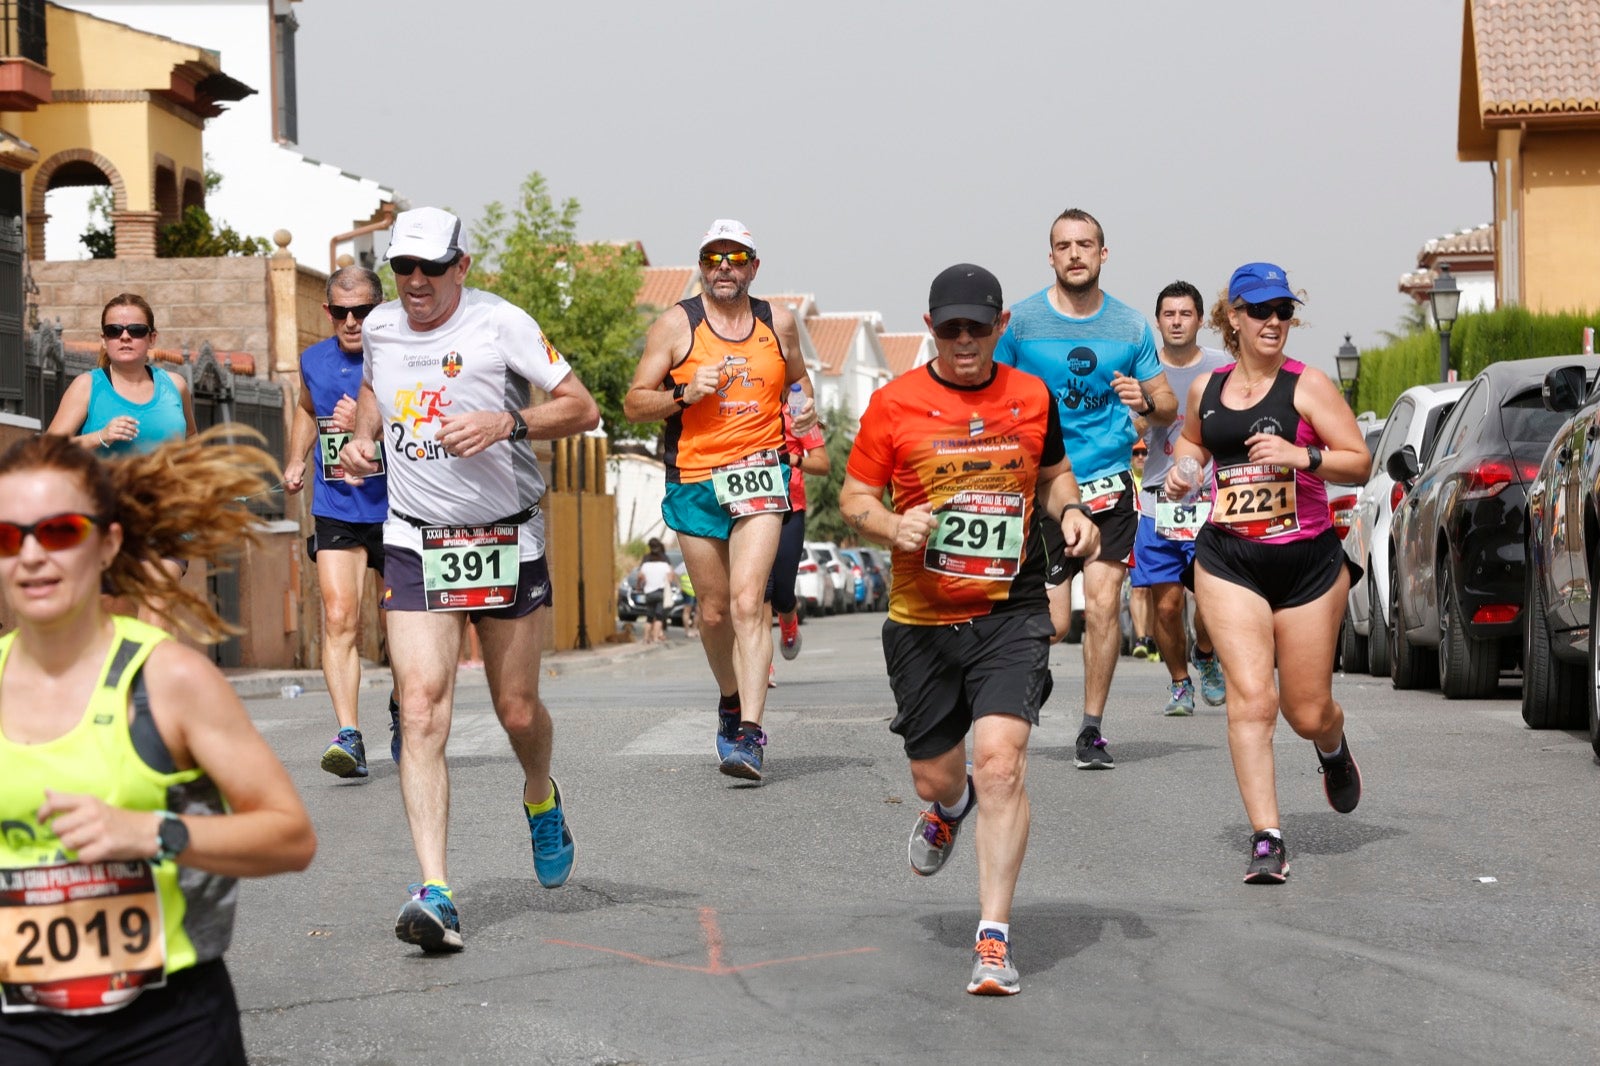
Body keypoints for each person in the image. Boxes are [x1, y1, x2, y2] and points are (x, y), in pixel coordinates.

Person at [0, 429, 315, 1062]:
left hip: (166, 1026)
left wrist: (152, 833)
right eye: (8, 537)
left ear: (107, 542)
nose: (32, 555)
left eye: (59, 531)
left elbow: (290, 836)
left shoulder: (168, 680)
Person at [336, 206, 601, 951]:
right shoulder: (383, 327)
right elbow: (371, 395)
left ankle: (541, 797)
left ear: (462, 266)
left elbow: (584, 407)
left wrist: (506, 424)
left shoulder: (501, 323)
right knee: (419, 708)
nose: (415, 283)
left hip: (506, 535)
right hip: (415, 541)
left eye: (430, 268)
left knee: (516, 712)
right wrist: (361, 444)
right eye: (403, 268)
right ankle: (436, 891)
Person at [839, 264, 1099, 996]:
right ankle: (949, 809)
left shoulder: (1030, 395)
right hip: (921, 618)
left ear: (999, 327)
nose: (962, 342)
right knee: (940, 775)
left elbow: (1053, 475)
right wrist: (895, 524)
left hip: (1010, 609)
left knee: (1002, 763)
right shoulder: (893, 405)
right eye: (948, 328)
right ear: (929, 327)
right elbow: (854, 497)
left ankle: (993, 938)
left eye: (976, 328)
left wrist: (1071, 511)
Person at [1163, 262, 1368, 884]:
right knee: (1253, 699)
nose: (1274, 322)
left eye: (1283, 311)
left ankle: (1331, 747)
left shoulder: (1307, 385)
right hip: (1230, 558)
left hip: (1307, 563)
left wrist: (1302, 454)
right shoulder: (1209, 388)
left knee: (1305, 712)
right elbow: (1192, 442)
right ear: (1234, 317)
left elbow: (1359, 462)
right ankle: (1267, 837)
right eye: (1260, 311)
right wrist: (1184, 468)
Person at [623, 219, 817, 783]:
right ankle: (731, 701)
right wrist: (684, 393)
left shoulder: (777, 321)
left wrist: (804, 409)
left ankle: (751, 734)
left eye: (736, 257)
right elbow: (635, 403)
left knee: (745, 602)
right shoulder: (675, 326)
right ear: (702, 265)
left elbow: (799, 381)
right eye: (713, 257)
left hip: (760, 472)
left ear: (754, 266)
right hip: (695, 477)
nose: (724, 266)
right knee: (711, 610)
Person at [995, 208, 1177, 771]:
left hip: (1108, 484)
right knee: (1052, 624)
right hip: (1044, 486)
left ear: (1103, 253)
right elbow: (992, 391)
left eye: (1086, 244)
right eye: (1064, 245)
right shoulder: (1021, 323)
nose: (1075, 254)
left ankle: (1092, 728)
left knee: (1103, 607)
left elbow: (1167, 404)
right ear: (1050, 256)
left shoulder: (1128, 326)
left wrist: (1142, 399)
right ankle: (1033, 675)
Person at [283, 266, 400, 779]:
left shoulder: (404, 356)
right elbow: (308, 411)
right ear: (327, 312)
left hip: (401, 509)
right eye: (341, 312)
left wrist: (373, 423)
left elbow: (435, 427)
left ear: (381, 309)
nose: (352, 322)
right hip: (337, 508)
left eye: (364, 311)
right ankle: (349, 736)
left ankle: (405, 706)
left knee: (403, 628)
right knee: (339, 618)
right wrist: (294, 459)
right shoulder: (314, 359)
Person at [48, 294, 200, 632]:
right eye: (115, 330)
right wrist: (99, 436)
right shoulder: (88, 387)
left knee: (157, 608)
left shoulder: (174, 387)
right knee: (114, 622)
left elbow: (191, 439)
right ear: (104, 338)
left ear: (152, 338)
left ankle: (151, 683)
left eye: (135, 329)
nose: (125, 336)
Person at [1136, 281, 1232, 715]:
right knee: (1169, 604)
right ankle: (1179, 682)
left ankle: (1206, 655)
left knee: (1211, 602)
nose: (1177, 321)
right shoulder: (1144, 369)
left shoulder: (1222, 367)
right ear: (1158, 321)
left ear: (1198, 320)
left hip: (1212, 502)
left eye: (1185, 314)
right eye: (1169, 314)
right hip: (1158, 503)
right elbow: (1127, 432)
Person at [768, 403, 829, 676]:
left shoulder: (798, 414)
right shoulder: (742, 408)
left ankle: (789, 619)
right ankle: (760, 667)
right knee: (757, 593)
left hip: (791, 508)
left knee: (781, 594)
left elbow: (823, 464)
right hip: (749, 507)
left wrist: (793, 460)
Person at [636, 537, 676, 645]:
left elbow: (640, 577)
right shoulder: (664, 563)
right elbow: (670, 577)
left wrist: (639, 586)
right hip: (660, 592)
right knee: (659, 617)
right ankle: (655, 638)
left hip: (648, 593)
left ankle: (645, 638)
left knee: (649, 618)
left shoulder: (645, 563)